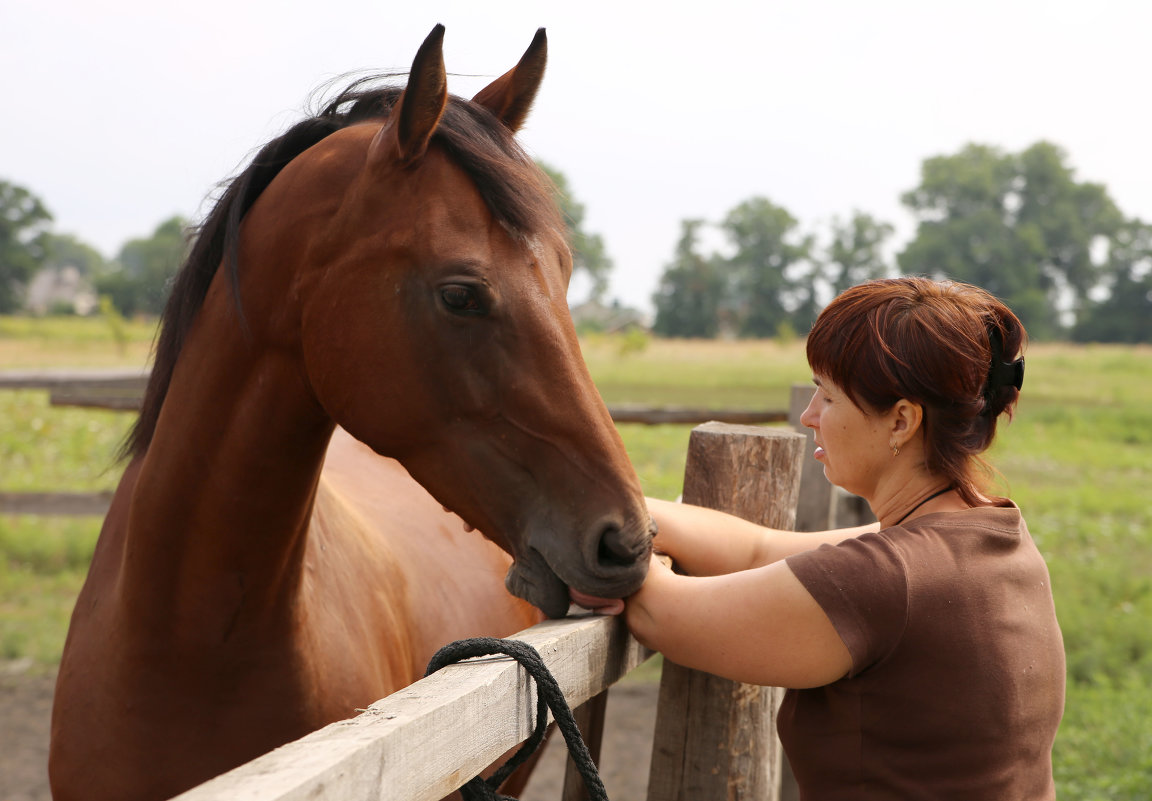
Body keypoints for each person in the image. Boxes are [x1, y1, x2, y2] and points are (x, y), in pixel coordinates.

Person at [622, 277, 1065, 800]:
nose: (809, 416)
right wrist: (624, 508)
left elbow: (658, 612)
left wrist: (604, 533)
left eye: (829, 396)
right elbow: (756, 549)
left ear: (901, 420)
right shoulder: (988, 536)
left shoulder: (885, 578)